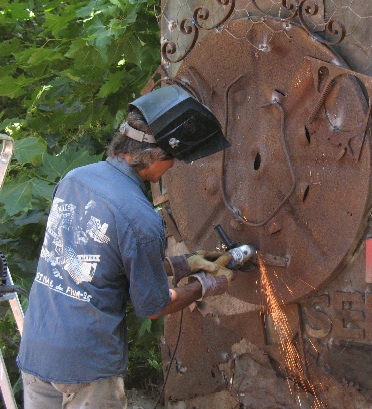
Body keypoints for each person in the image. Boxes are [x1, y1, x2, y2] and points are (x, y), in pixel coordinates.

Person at [17, 85, 233, 409]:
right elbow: (153, 306)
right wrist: (207, 284)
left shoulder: (75, 179)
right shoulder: (140, 217)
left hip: (37, 349)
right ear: (155, 156)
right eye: (172, 159)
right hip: (85, 367)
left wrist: (186, 263)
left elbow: (97, 263)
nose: (172, 168)